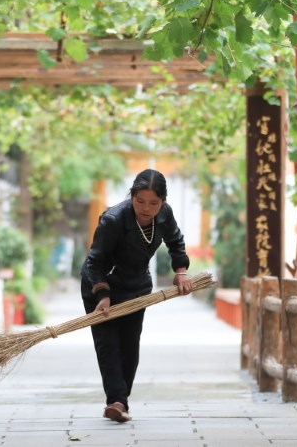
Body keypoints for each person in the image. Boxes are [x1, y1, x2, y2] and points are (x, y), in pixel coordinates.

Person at [79, 168, 193, 423]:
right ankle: (117, 401)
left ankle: (120, 402)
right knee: (108, 344)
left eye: (153, 203)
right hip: (100, 285)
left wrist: (181, 272)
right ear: (131, 197)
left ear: (162, 201)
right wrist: (103, 295)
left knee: (129, 345)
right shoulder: (113, 220)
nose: (146, 208)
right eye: (140, 201)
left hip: (135, 287)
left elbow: (176, 241)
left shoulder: (164, 214)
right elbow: (94, 262)